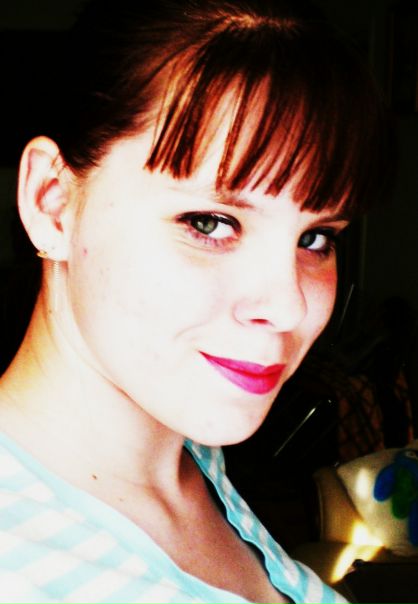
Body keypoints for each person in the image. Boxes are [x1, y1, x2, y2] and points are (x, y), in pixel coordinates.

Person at [0, 0, 393, 602]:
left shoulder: (186, 457)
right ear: (52, 202)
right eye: (210, 223)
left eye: (317, 238)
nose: (289, 307)